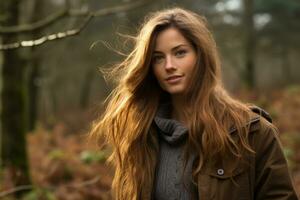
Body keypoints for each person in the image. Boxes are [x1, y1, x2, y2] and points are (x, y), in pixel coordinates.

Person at [90, 7, 298, 200]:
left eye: (180, 53)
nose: (169, 66)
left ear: (201, 56)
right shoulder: (141, 135)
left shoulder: (251, 133)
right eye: (158, 58)